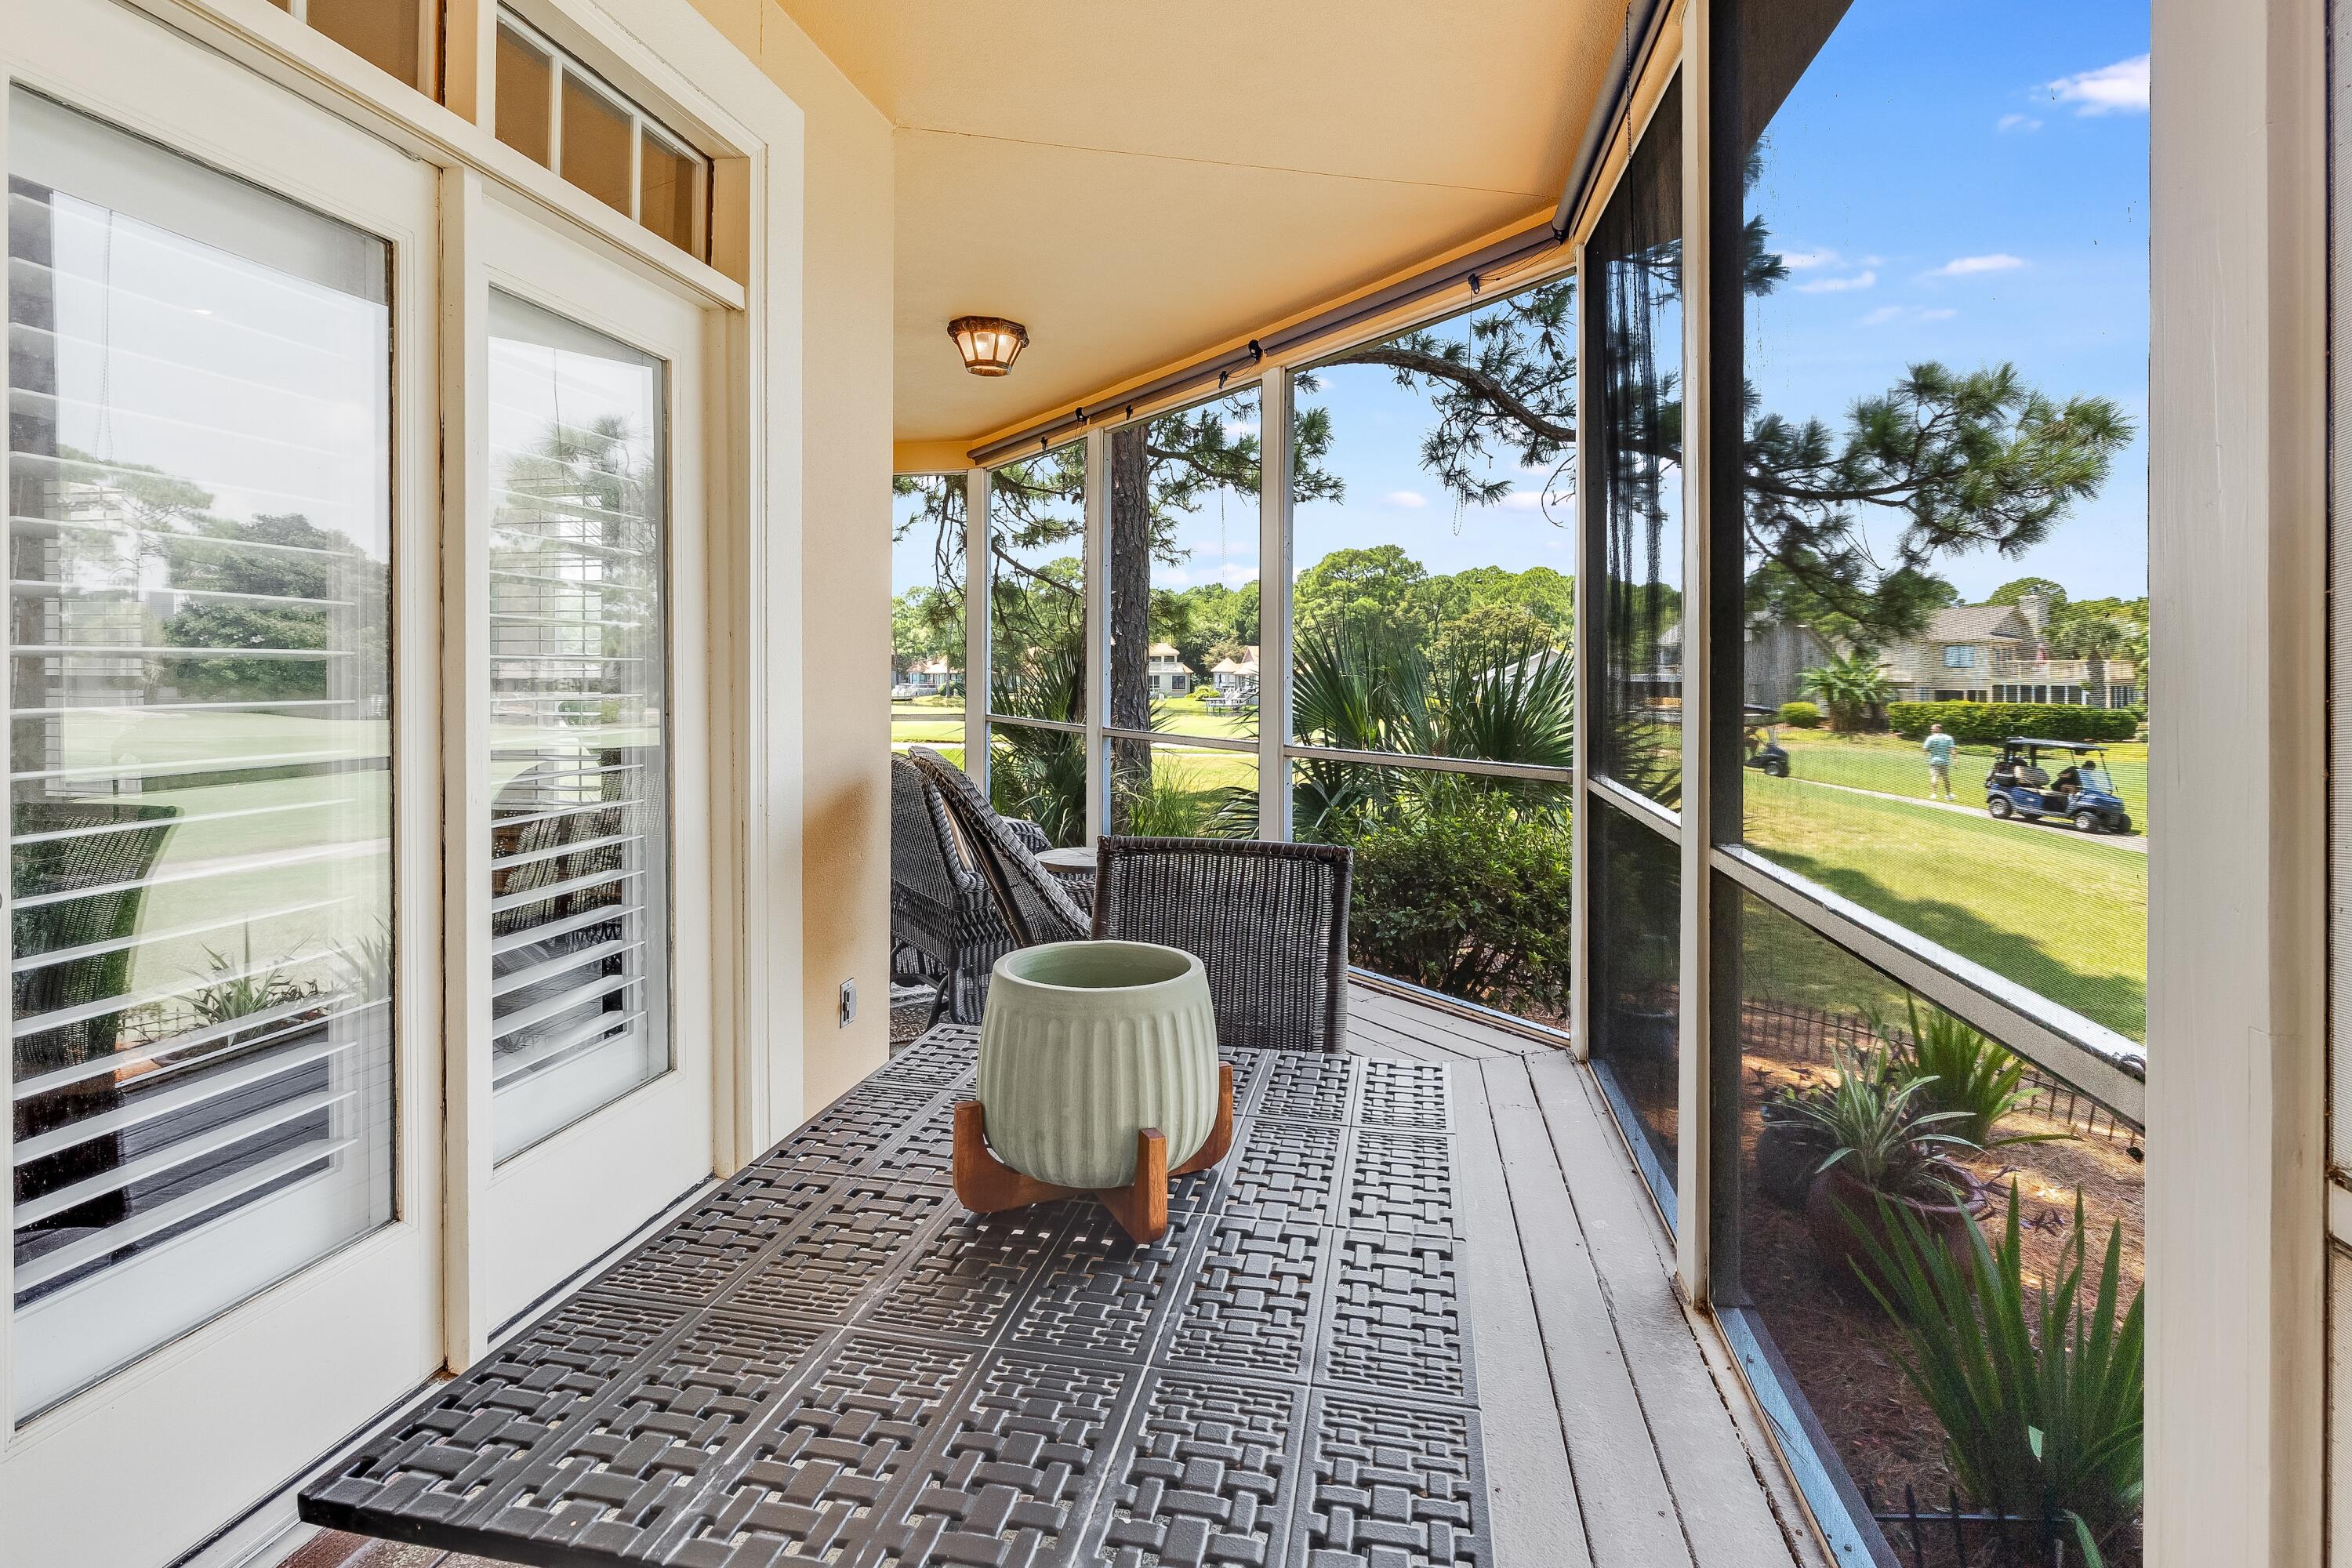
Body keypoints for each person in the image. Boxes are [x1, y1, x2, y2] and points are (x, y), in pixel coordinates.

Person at [1922, 723, 1957, 801]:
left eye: (1932, 729)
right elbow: (1952, 749)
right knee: (1946, 778)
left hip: (1934, 761)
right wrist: (1955, 759)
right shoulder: (1949, 738)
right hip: (1945, 761)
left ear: (1937, 729)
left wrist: (1925, 755)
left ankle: (1934, 794)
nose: (1931, 730)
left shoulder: (1930, 738)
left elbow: (1925, 749)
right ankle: (1948, 795)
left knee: (1934, 777)